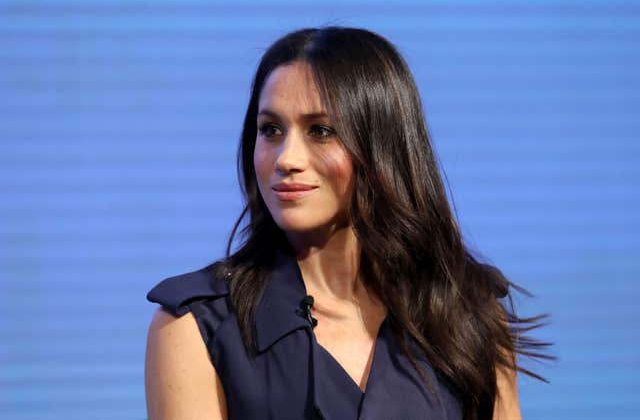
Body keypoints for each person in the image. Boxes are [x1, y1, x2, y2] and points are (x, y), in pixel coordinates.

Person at [144, 26, 553, 420]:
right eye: (270, 130)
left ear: (382, 147)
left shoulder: (467, 314)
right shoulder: (197, 326)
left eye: (320, 131)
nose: (287, 158)